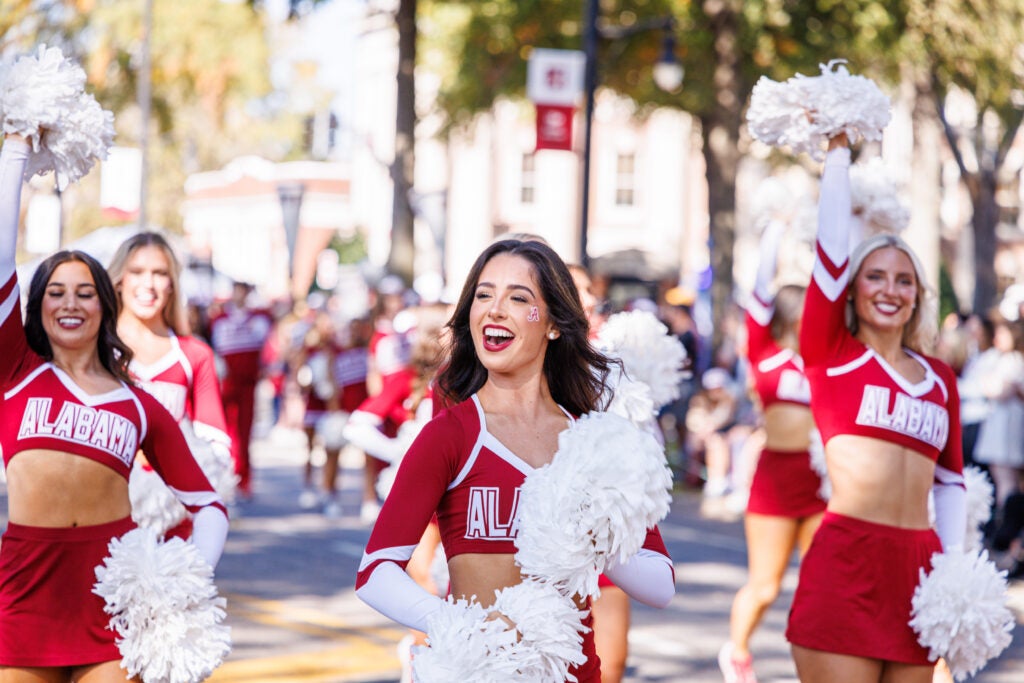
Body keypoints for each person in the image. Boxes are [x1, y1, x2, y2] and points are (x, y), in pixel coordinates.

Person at [355, 239, 675, 680]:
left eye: (518, 298)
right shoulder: (451, 435)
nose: (495, 309)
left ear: (554, 325)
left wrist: (593, 529)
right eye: (484, 295)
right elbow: (375, 571)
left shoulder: (594, 440)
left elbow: (660, 585)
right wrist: (465, 628)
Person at [0, 134, 228, 678]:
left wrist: (183, 578)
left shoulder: (139, 402)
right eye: (55, 291)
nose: (69, 303)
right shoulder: (16, 372)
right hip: (26, 592)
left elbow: (210, 506)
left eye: (84, 292)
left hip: (112, 599)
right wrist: (13, 153)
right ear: (38, 306)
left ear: (106, 304)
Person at [786, 134, 965, 683]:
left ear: (918, 295)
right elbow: (831, 252)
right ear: (852, 290)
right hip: (846, 565)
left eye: (904, 280)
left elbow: (950, 481)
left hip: (919, 569)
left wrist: (953, 572)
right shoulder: (832, 354)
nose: (890, 290)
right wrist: (838, 153)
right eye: (876, 276)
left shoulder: (941, 378)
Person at [719, 219, 826, 683]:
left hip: (821, 481)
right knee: (765, 586)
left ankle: (821, 664)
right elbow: (760, 292)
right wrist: (776, 232)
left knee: (823, 586)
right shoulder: (764, 353)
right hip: (776, 480)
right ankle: (737, 652)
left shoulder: (825, 361)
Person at [107, 231, 234, 536]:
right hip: (106, 507)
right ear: (119, 279)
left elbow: (215, 440)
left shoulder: (194, 354)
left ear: (172, 284)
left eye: (160, 273)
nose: (148, 284)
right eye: (137, 272)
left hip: (173, 516)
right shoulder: (97, 350)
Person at [208, 280, 274, 499]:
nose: (240, 294)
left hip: (249, 384)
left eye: (244, 290)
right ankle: (225, 477)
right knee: (224, 432)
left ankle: (244, 478)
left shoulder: (259, 318)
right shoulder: (218, 319)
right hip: (226, 384)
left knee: (245, 432)